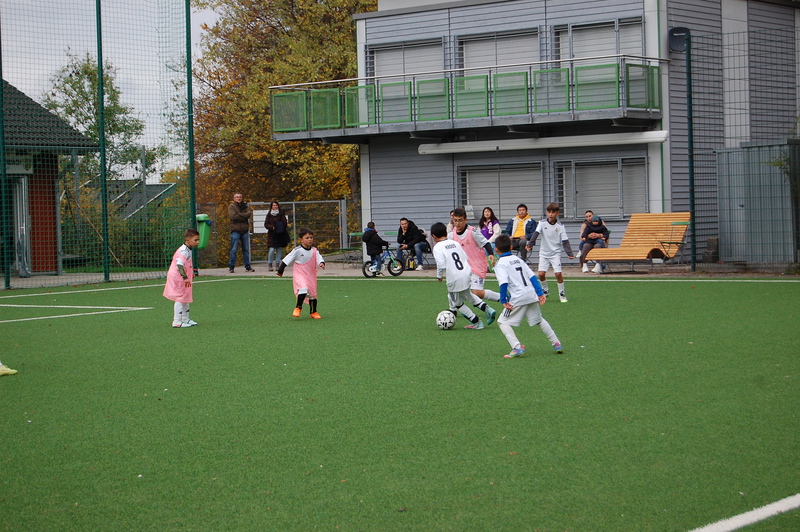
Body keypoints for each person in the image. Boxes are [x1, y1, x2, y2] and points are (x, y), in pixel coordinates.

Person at [493, 234, 563, 358]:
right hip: (531, 294)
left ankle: (517, 347)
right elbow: (532, 277)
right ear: (511, 247)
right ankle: (556, 343)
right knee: (539, 320)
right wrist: (540, 293)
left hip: (518, 297)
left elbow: (503, 283)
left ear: (496, 249)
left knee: (502, 322)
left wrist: (503, 300)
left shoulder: (500, 264)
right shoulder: (519, 260)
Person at [430, 222, 485, 330]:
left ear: (434, 236)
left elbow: (441, 264)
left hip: (454, 277)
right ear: (446, 233)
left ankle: (477, 322)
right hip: (466, 273)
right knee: (468, 295)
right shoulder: (455, 243)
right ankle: (487, 309)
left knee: (457, 303)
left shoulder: (437, 247)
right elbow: (465, 257)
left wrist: (439, 276)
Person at [449, 207, 499, 325]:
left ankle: (503, 298)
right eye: (455, 220)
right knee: (454, 288)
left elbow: (486, 243)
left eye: (460, 220)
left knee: (476, 292)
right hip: (463, 268)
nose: (458, 223)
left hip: (477, 265)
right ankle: (452, 310)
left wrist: (491, 255)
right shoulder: (451, 235)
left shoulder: (473, 232)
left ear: (465, 220)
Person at [527, 202, 574, 303]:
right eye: (549, 212)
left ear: (557, 213)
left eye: (553, 212)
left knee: (558, 274)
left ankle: (562, 294)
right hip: (544, 253)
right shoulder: (542, 223)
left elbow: (565, 241)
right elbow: (536, 234)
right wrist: (530, 244)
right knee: (541, 274)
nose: (551, 214)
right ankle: (545, 290)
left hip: (555, 253)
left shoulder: (560, 226)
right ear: (546, 213)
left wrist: (569, 253)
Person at [277, 227, 326, 319]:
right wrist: (281, 269)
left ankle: (313, 312)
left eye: (311, 237)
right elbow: (288, 259)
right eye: (307, 238)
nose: (310, 239)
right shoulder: (297, 250)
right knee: (303, 288)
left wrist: (321, 263)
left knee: (312, 294)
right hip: (300, 274)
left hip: (310, 275)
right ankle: (298, 307)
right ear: (301, 240)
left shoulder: (314, 250)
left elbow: (319, 258)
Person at [163, 228, 200, 328]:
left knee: (185, 297)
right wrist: (185, 277)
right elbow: (179, 265)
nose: (198, 242)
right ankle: (177, 321)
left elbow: (187, 263)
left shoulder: (188, 249)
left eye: (198, 240)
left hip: (182, 277)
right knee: (180, 297)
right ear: (188, 240)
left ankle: (185, 318)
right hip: (178, 277)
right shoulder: (183, 251)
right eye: (195, 240)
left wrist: (191, 273)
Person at [228, 192, 254, 273]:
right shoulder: (232, 206)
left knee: (246, 250)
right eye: (237, 197)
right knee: (234, 250)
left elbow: (248, 214)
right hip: (235, 231)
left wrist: (239, 214)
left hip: (244, 230)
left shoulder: (245, 206)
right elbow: (233, 217)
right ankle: (231, 266)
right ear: (234, 198)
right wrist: (243, 216)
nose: (239, 198)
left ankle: (247, 266)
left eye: (240, 197)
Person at [264, 200, 290, 272]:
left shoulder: (281, 213)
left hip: (280, 234)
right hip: (272, 235)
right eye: (273, 205)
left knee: (279, 249)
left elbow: (285, 223)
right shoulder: (269, 214)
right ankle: (270, 264)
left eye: (276, 205)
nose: (275, 206)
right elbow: (266, 224)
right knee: (271, 250)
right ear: (271, 206)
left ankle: (277, 264)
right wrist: (272, 227)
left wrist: (279, 226)